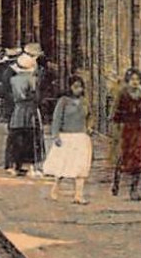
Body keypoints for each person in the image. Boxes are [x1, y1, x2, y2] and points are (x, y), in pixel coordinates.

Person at [43, 75, 93, 205]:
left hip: (81, 137)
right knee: (62, 166)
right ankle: (55, 189)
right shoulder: (63, 101)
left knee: (81, 167)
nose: (78, 90)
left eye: (80, 87)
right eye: (75, 87)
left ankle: (78, 195)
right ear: (70, 87)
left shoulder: (84, 101)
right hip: (66, 137)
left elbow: (90, 116)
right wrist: (56, 136)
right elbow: (57, 119)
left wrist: (89, 127)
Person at [109, 69, 141, 200]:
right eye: (132, 79)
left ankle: (134, 190)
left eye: (137, 79)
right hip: (126, 130)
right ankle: (116, 183)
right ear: (128, 81)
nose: (135, 82)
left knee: (139, 159)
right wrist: (117, 128)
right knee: (122, 157)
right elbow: (116, 113)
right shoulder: (123, 94)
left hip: (139, 130)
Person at [5, 53, 42, 177]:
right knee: (31, 137)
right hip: (30, 111)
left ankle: (15, 165)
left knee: (16, 137)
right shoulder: (32, 80)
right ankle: (31, 166)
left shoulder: (13, 80)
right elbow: (36, 97)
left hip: (17, 110)